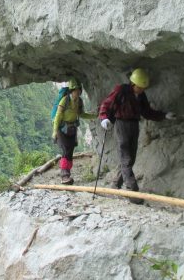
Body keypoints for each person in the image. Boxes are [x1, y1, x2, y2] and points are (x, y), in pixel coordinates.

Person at [98, 68, 175, 201]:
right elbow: (107, 103)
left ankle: (115, 184)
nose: (142, 90)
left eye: (144, 88)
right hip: (121, 124)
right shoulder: (121, 90)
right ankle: (133, 192)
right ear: (133, 84)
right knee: (126, 157)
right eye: (140, 87)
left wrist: (164, 115)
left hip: (134, 125)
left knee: (130, 158)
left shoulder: (141, 95)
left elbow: (147, 112)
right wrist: (104, 118)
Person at [52, 79, 97, 184]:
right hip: (61, 128)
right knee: (66, 150)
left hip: (72, 128)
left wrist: (94, 116)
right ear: (71, 90)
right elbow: (58, 116)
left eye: (78, 90)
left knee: (70, 151)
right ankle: (64, 176)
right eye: (75, 90)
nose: (77, 92)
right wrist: (54, 131)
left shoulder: (79, 101)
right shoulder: (65, 100)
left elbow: (81, 114)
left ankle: (67, 175)